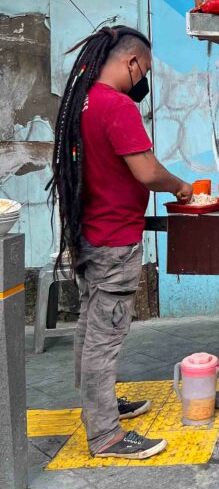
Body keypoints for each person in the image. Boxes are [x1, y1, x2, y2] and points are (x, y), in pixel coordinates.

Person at [49, 26, 193, 459]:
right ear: (131, 63)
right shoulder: (116, 105)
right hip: (113, 239)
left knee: (90, 324)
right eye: (143, 70)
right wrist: (181, 186)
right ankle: (106, 434)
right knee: (104, 336)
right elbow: (146, 171)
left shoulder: (80, 101)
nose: (142, 80)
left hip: (88, 233)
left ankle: (99, 409)